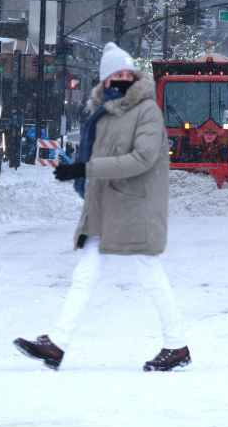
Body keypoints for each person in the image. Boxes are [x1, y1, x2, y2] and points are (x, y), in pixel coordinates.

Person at [14, 42, 190, 372]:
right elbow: (94, 156)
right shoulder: (104, 113)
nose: (122, 78)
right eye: (116, 74)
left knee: (150, 274)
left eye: (127, 73)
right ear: (106, 80)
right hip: (108, 207)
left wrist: (85, 170)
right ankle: (57, 344)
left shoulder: (146, 111)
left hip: (136, 207)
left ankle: (176, 345)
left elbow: (141, 159)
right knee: (86, 274)